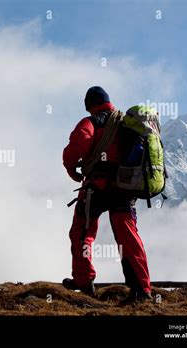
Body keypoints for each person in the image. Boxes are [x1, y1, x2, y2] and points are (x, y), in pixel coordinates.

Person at [62, 86, 152, 302]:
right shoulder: (126, 122)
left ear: (89, 104)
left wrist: (71, 167)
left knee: (82, 231)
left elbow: (76, 148)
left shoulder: (92, 121)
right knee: (128, 237)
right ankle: (142, 289)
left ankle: (84, 282)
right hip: (125, 189)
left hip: (97, 188)